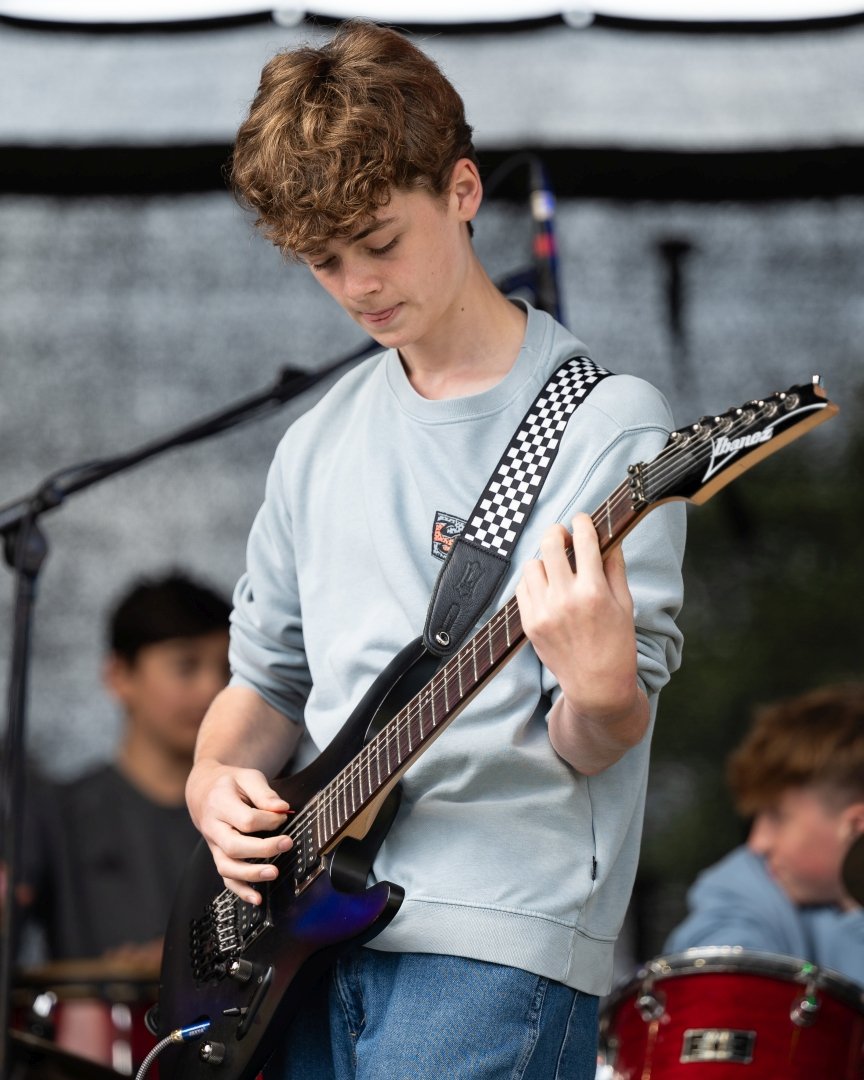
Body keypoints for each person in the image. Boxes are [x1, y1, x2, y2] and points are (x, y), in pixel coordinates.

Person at [185, 20, 685, 1080]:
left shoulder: (607, 427)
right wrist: (212, 780)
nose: (358, 286)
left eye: (379, 241)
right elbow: (265, 686)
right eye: (324, 262)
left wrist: (603, 692)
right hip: (303, 946)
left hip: (495, 940)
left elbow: (598, 741)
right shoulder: (316, 440)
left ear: (463, 189)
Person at [18, 570, 231, 966]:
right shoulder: (55, 814)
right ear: (119, 676)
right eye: (186, 666)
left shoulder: (252, 808)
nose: (213, 688)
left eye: (228, 670)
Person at [664, 683, 864, 986]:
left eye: (776, 817)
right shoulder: (747, 883)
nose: (758, 843)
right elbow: (719, 985)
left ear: (856, 826)